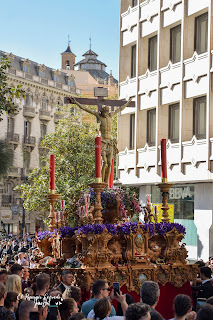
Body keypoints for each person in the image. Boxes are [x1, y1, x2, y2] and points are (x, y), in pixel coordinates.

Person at [70, 96, 132, 183]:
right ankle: (101, 182)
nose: (105, 113)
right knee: (105, 162)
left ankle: (106, 182)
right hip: (103, 142)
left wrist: (127, 103)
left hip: (110, 143)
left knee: (110, 163)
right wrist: (76, 102)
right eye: (104, 112)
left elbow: (120, 109)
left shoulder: (111, 115)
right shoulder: (99, 116)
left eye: (106, 112)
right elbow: (86, 109)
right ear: (101, 112)